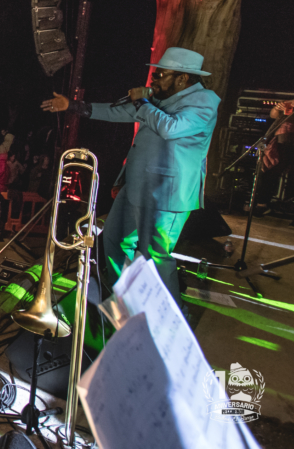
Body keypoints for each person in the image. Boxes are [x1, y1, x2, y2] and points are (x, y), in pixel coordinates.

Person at [41, 47, 220, 306]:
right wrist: (73, 106)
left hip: (166, 193)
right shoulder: (157, 101)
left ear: (182, 78)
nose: (153, 80)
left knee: (155, 255)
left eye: (160, 75)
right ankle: (123, 298)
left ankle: (168, 316)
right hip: (136, 185)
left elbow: (172, 128)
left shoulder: (204, 101)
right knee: (114, 242)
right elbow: (118, 112)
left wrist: (142, 102)